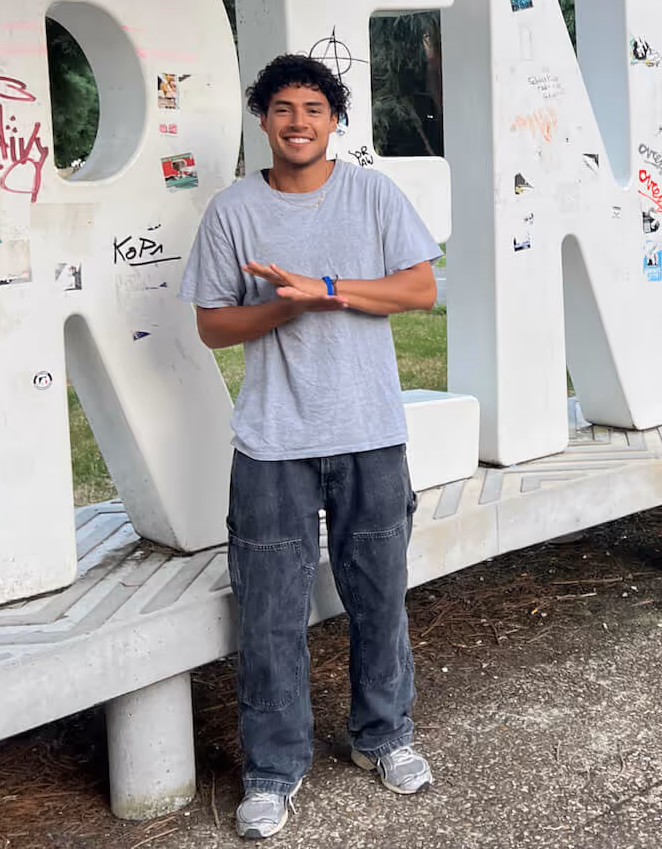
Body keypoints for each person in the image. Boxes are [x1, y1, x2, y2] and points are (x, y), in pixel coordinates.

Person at [179, 55, 440, 840]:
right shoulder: (233, 210)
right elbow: (212, 325)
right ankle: (271, 770)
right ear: (262, 118)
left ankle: (384, 736)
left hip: (370, 432)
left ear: (335, 120)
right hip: (273, 443)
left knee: (379, 597)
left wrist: (324, 289)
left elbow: (419, 288)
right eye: (284, 108)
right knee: (269, 613)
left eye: (315, 108)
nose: (299, 121)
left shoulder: (371, 194)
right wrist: (281, 309)